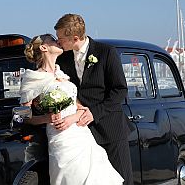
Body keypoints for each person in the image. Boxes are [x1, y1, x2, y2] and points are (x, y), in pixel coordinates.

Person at [19, 34, 124, 185]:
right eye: (53, 40)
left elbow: (79, 106)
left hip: (81, 134)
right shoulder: (33, 78)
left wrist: (75, 117)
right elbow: (23, 115)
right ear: (44, 47)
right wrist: (47, 118)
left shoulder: (61, 73)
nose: (58, 41)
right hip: (60, 135)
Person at [55, 13, 134, 185]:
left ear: (75, 38)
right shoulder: (62, 58)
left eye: (61, 38)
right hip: (82, 135)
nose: (58, 41)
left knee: (122, 181)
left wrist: (94, 112)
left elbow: (120, 90)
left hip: (110, 130)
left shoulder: (106, 52)